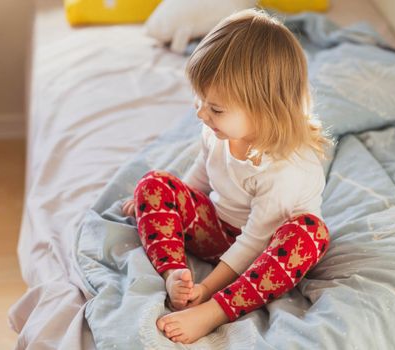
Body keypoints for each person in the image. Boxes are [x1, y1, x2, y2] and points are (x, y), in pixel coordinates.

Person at [121, 8, 333, 344]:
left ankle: (214, 312)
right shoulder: (218, 132)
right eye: (200, 101)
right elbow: (200, 178)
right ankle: (173, 272)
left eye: (215, 108)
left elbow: (253, 242)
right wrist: (169, 204)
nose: (202, 113)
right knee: (153, 183)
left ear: (266, 110)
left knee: (310, 236)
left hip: (267, 251)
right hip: (220, 229)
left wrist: (206, 290)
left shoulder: (286, 168)